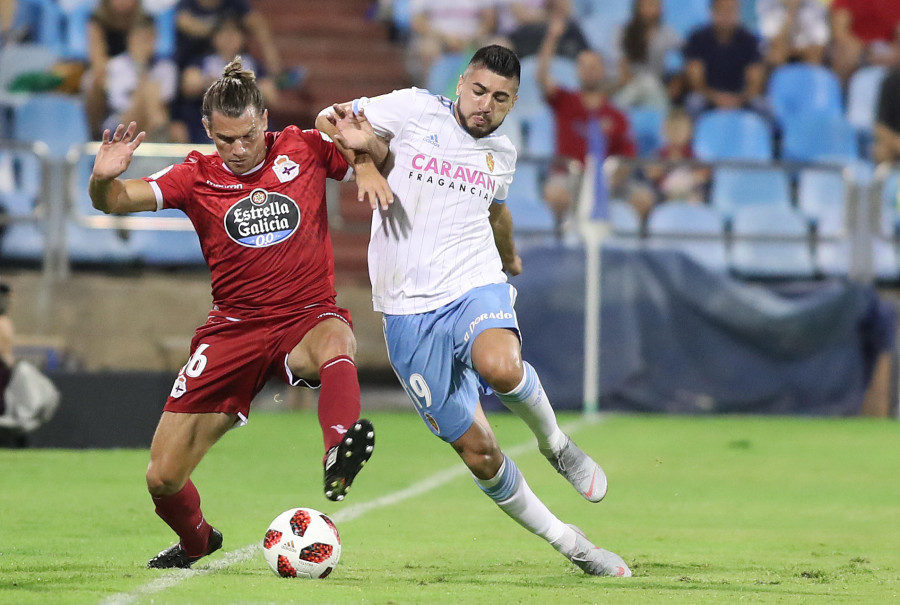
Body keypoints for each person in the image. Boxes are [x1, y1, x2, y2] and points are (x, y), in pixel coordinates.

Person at [317, 45, 631, 577]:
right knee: (481, 455)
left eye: (500, 98)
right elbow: (330, 119)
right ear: (462, 82)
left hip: (473, 283)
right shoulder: (416, 108)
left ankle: (557, 445)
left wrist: (507, 256)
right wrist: (366, 163)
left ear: (512, 104)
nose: (485, 104)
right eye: (479, 90)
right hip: (407, 310)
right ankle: (573, 546)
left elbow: (495, 208)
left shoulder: (501, 153)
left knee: (501, 366)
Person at [87, 57, 376, 570]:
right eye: (225, 140)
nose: (238, 150)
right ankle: (198, 541)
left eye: (247, 136)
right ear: (207, 132)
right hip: (233, 331)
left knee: (338, 340)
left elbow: (364, 151)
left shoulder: (302, 148)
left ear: (264, 119)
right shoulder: (193, 175)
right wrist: (102, 181)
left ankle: (337, 452)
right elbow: (114, 201)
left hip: (303, 316)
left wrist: (369, 157)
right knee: (162, 476)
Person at [536, 12, 637, 232]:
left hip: (605, 180)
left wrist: (614, 177)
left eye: (594, 66)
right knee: (555, 194)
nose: (590, 71)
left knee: (643, 199)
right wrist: (552, 38)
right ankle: (560, 246)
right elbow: (541, 77)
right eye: (585, 66)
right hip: (570, 174)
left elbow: (627, 156)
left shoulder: (616, 115)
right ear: (578, 71)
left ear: (602, 71)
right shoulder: (565, 101)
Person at [682, 0, 766, 118]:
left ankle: (768, 136)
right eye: (722, 10)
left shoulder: (750, 41)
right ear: (712, 12)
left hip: (740, 97)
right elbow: (696, 82)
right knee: (694, 103)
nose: (727, 15)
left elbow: (755, 82)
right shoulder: (697, 39)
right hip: (709, 97)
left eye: (731, 10)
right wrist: (716, 98)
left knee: (761, 106)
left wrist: (738, 99)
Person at [102, 15, 178, 141]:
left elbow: (165, 101)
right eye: (139, 38)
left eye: (148, 38)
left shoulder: (167, 67)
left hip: (152, 118)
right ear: (129, 40)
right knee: (149, 90)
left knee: (152, 94)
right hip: (122, 122)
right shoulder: (115, 65)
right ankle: (158, 132)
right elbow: (118, 104)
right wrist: (141, 66)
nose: (144, 44)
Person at [614, 0, 682, 111]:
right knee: (620, 104)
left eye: (655, 5)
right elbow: (622, 64)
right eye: (648, 5)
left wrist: (674, 86)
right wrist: (631, 84)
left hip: (657, 85)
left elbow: (681, 62)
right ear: (638, 7)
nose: (651, 9)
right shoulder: (624, 32)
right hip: (631, 84)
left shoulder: (668, 34)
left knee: (651, 85)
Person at [756, 0, 828, 68]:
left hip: (807, 61)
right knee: (776, 53)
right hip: (780, 63)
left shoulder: (815, 6)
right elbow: (774, 44)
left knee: (815, 54)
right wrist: (791, 14)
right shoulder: (768, 5)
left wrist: (795, 51)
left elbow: (819, 45)